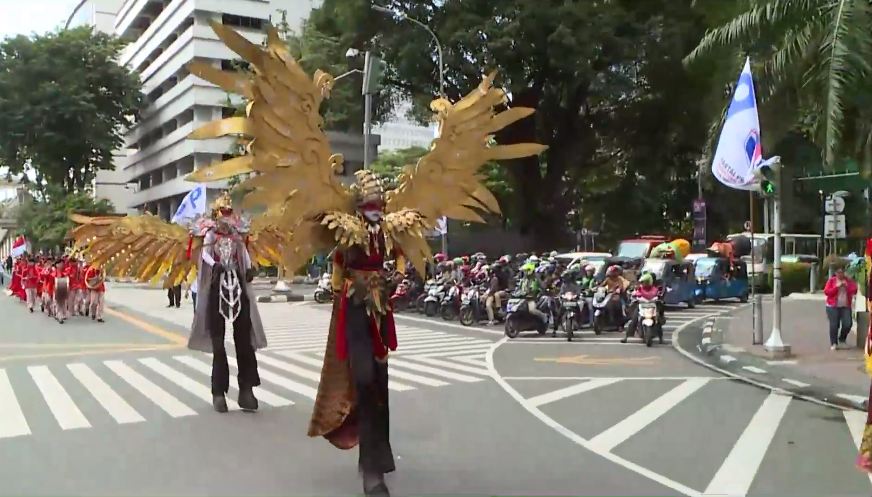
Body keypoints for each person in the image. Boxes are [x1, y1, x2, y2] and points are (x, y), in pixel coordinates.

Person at [187, 192, 266, 413]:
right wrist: (216, 264)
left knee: (244, 340)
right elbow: (204, 255)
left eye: (230, 212)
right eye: (224, 212)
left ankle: (246, 390)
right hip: (216, 287)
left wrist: (249, 268)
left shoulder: (237, 235)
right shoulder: (210, 234)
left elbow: (244, 252)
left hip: (238, 286)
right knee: (218, 344)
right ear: (217, 214)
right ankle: (218, 392)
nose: (228, 217)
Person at [823, 266, 858, 350]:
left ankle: (842, 339)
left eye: (842, 272)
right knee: (834, 325)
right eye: (838, 272)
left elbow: (854, 290)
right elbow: (827, 292)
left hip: (845, 306)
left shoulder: (848, 281)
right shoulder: (832, 281)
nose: (840, 274)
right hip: (832, 306)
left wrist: (846, 287)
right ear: (835, 273)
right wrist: (837, 287)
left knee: (848, 324)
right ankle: (834, 343)